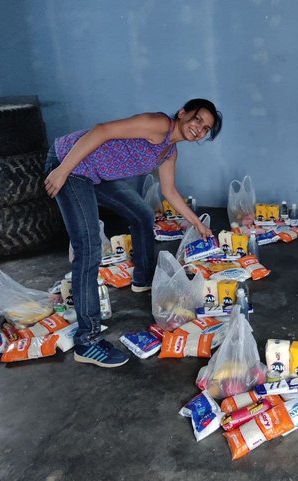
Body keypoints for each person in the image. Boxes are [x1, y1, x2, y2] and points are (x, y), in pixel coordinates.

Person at [44, 98, 223, 367]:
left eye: (206, 128)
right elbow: (102, 130)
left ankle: (143, 278)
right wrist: (63, 170)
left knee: (142, 214)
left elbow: (170, 191)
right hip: (69, 164)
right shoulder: (159, 124)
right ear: (183, 113)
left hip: (93, 173)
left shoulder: (169, 152)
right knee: (89, 248)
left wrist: (197, 223)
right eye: (198, 119)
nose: (199, 128)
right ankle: (88, 341)